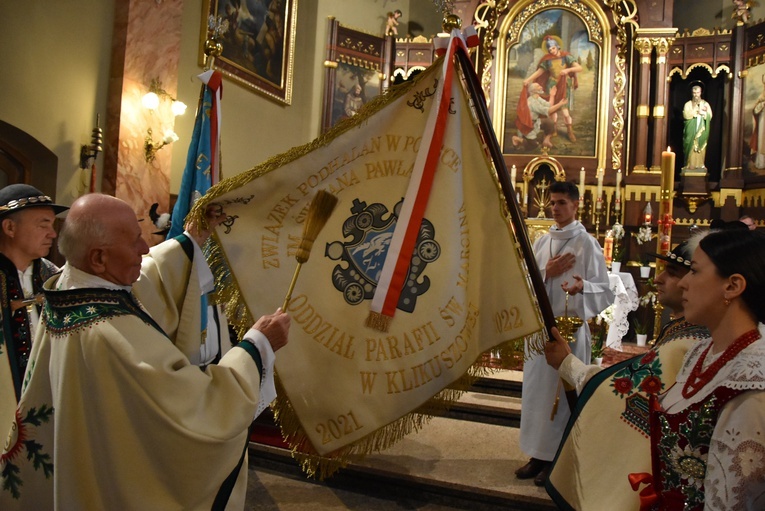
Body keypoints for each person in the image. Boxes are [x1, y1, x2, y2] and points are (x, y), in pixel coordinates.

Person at [0, 194, 291, 510]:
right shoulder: (109, 331)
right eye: (135, 239)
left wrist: (190, 241)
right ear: (98, 258)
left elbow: (144, 277)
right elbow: (200, 405)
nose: (144, 247)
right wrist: (257, 346)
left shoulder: (69, 287)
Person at [549, 229, 765, 509]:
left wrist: (569, 365)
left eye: (694, 272)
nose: (684, 283)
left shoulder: (750, 388)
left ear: (733, 286)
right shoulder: (702, 354)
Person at [544, 240, 711, 510]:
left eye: (672, 272)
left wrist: (567, 364)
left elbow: (622, 392)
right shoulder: (687, 329)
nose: (658, 280)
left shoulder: (689, 341)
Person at [515, 180, 613, 486]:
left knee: (562, 395)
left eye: (561, 202)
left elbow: (606, 289)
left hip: (568, 331)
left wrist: (583, 286)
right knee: (536, 395)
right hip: (540, 329)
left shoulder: (588, 244)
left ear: (575, 204)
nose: (555, 208)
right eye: (552, 202)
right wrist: (548, 272)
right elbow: (524, 281)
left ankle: (557, 458)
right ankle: (537, 455)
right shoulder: (542, 242)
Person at [0, 184, 68, 448]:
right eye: (43, 225)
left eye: (53, 224)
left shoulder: (55, 278)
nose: (53, 233)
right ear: (9, 228)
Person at [522, 35, 582, 142]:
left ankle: (569, 131)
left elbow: (579, 68)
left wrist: (567, 71)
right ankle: (553, 129)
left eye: (553, 48)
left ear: (558, 47)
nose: (551, 51)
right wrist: (528, 79)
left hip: (564, 85)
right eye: (549, 49)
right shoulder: (547, 60)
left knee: (564, 111)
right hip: (552, 85)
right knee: (553, 109)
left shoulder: (566, 57)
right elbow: (539, 72)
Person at [513, 82, 568, 151]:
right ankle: (516, 139)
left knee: (550, 123)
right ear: (534, 91)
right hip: (529, 126)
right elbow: (548, 111)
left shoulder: (537, 98)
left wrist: (552, 95)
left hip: (536, 122)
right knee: (533, 146)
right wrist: (560, 104)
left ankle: (546, 140)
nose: (541, 87)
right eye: (538, 86)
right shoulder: (533, 102)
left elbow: (549, 105)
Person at [682, 83, 712, 170]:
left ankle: (700, 164)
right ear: (692, 93)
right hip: (691, 128)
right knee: (690, 144)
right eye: (694, 93)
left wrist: (704, 113)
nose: (696, 95)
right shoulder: (688, 104)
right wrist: (695, 111)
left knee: (701, 145)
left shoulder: (705, 104)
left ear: (701, 93)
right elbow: (686, 115)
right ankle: (689, 164)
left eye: (698, 93)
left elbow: (710, 115)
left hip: (701, 128)